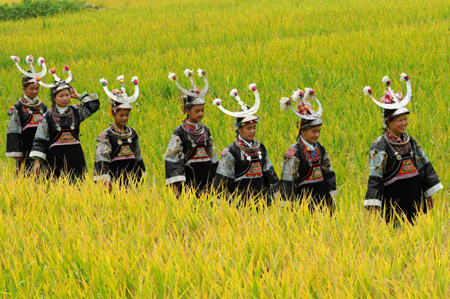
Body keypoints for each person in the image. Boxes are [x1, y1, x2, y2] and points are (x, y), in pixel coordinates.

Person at [363, 73, 443, 223]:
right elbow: (375, 177)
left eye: (405, 119)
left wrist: (427, 193)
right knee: (397, 234)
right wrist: (374, 205)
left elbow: (422, 165)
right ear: (389, 122)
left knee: (415, 231)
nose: (404, 123)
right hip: (394, 201)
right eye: (400, 120)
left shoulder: (409, 140)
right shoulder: (380, 145)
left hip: (414, 196)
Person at [212, 83, 279, 207]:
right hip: (241, 204)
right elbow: (222, 180)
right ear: (239, 129)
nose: (252, 131)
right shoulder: (231, 152)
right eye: (249, 128)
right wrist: (218, 206)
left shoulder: (260, 148)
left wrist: (278, 195)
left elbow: (270, 173)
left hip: (263, 202)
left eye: (254, 127)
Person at [30, 66, 100, 181]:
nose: (65, 98)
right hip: (55, 160)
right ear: (54, 97)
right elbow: (40, 139)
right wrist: (37, 162)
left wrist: (78, 96)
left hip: (76, 158)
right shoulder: (47, 117)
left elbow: (93, 105)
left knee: (77, 188)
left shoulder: (76, 112)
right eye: (61, 96)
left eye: (67, 95)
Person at [279, 88, 337, 213]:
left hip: (323, 201)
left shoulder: (319, 148)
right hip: (302, 205)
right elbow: (288, 181)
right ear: (303, 131)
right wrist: (290, 209)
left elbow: (328, 172)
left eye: (319, 131)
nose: (317, 135)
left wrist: (332, 197)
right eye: (314, 132)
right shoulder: (294, 153)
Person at [164, 69, 218, 197]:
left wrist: (218, 176)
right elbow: (173, 158)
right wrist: (175, 185)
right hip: (190, 178)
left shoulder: (205, 130)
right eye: (197, 111)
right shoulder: (180, 131)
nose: (200, 114)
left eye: (202, 110)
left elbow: (212, 154)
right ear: (187, 110)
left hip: (207, 175)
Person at [94, 76, 145, 190]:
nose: (124, 118)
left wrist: (141, 173)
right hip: (115, 176)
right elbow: (102, 158)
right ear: (113, 114)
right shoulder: (106, 136)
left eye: (127, 115)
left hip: (133, 176)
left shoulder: (132, 133)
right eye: (121, 115)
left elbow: (138, 154)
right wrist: (106, 179)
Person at [6, 55, 48, 174]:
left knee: (43, 175)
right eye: (31, 88)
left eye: (37, 88)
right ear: (24, 89)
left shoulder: (42, 107)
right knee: (24, 175)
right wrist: (16, 151)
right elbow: (13, 130)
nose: (35, 91)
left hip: (40, 148)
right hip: (25, 148)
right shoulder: (18, 108)